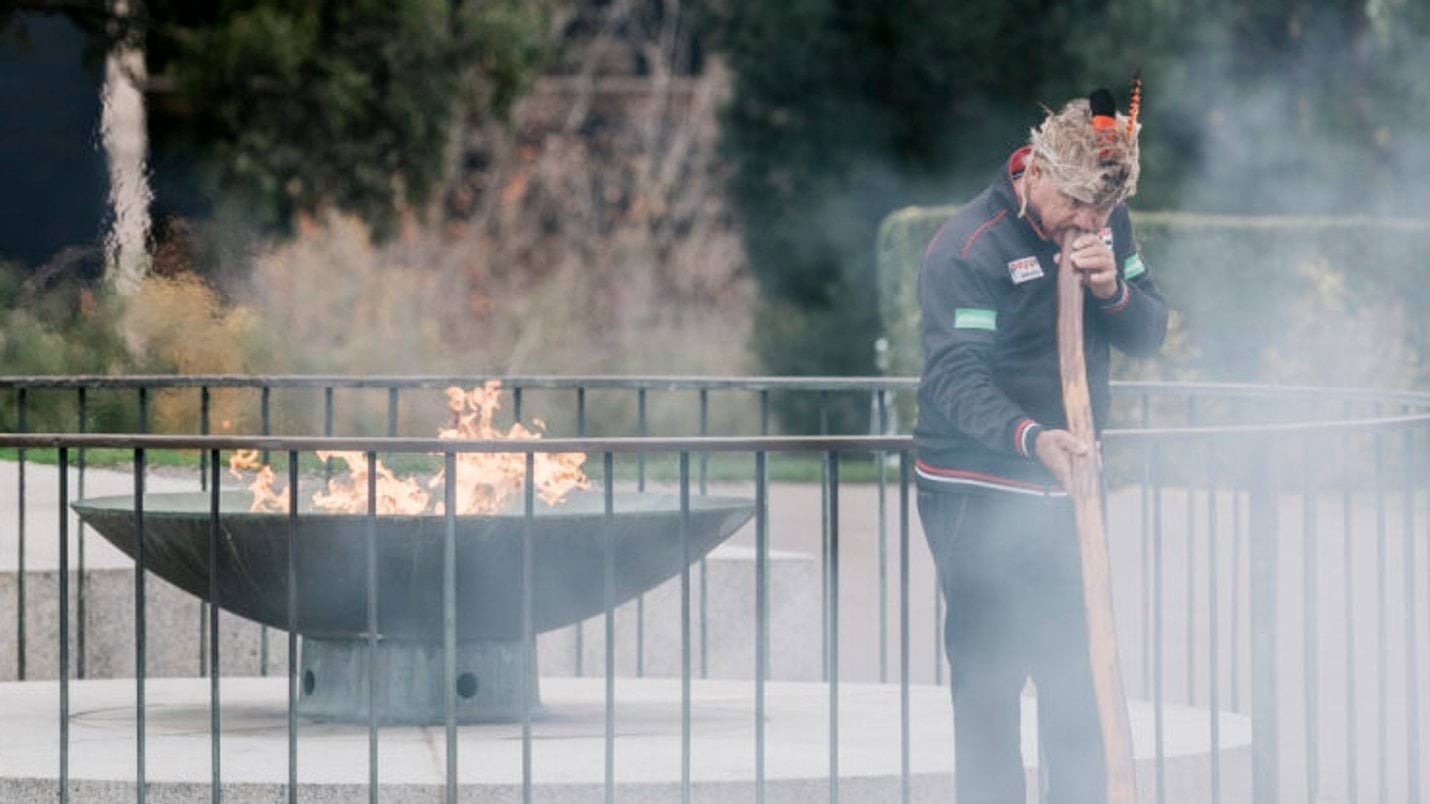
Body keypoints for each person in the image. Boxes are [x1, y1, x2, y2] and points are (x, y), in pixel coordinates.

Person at [914, 91, 1167, 803]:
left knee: (1077, 679)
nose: (1088, 223)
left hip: (1068, 493)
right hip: (976, 492)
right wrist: (1032, 439)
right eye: (1078, 206)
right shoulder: (971, 245)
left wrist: (1114, 289)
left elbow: (1151, 332)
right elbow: (955, 379)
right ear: (1040, 172)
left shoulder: (1107, 220)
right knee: (989, 687)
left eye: (1103, 212)